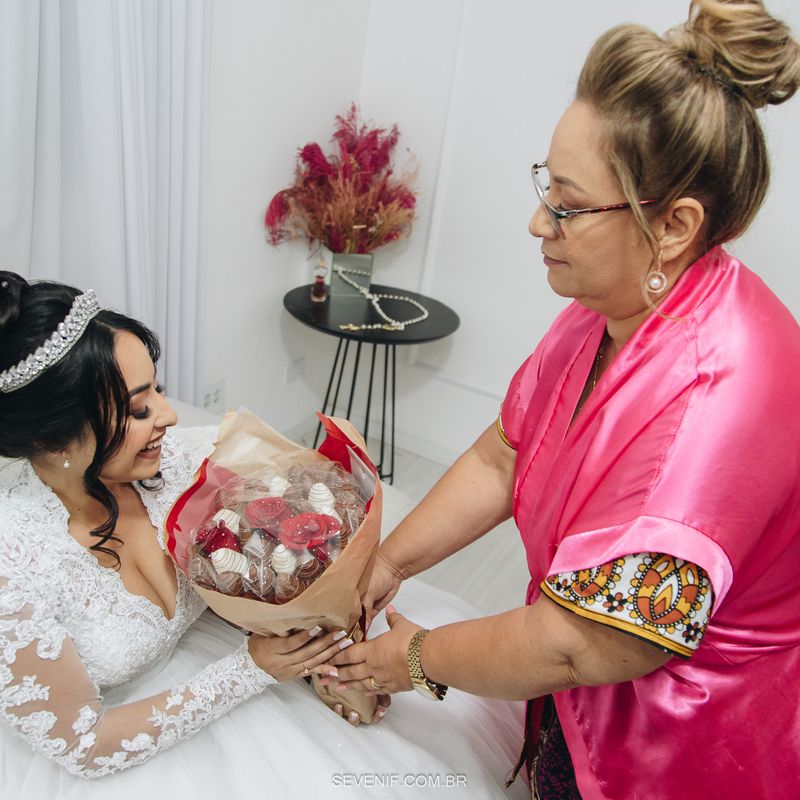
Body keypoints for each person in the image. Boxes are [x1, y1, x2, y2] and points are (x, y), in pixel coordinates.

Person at [325, 2, 800, 798]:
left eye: (570, 206)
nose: (538, 221)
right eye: (547, 186)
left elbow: (575, 645)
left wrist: (408, 659)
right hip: (579, 699)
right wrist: (388, 562)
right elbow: (506, 452)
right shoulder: (610, 309)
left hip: (681, 748)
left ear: (674, 225)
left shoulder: (721, 401)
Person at [0, 272, 528, 799]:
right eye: (140, 409)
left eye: (158, 389)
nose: (171, 415)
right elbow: (84, 746)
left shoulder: (186, 460)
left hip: (242, 651)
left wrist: (330, 663)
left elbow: (285, 572)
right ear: (53, 434)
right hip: (139, 731)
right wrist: (249, 671)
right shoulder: (13, 564)